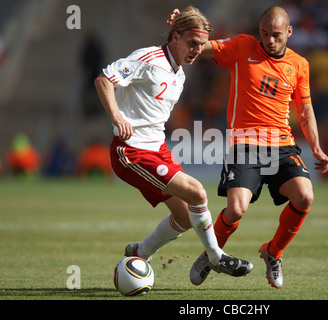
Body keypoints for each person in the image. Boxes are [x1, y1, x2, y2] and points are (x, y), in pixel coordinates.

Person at [167, 6, 328, 288]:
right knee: (236, 209)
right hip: (244, 143)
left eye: (277, 35)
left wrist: (316, 147)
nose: (269, 40)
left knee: (305, 196)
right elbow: (201, 47)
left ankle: (273, 252)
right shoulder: (242, 47)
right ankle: (212, 255)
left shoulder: (299, 65)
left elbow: (305, 110)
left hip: (282, 145)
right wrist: (183, 33)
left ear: (289, 33)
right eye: (265, 34)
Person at [94, 6, 253, 280]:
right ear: (175, 37)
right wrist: (117, 116)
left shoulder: (179, 71)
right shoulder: (148, 58)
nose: (196, 50)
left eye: (201, 45)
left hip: (158, 149)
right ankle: (216, 257)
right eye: (192, 43)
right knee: (198, 193)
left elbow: (196, 41)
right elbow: (104, 80)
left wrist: (184, 23)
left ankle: (139, 252)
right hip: (131, 151)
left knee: (183, 219)